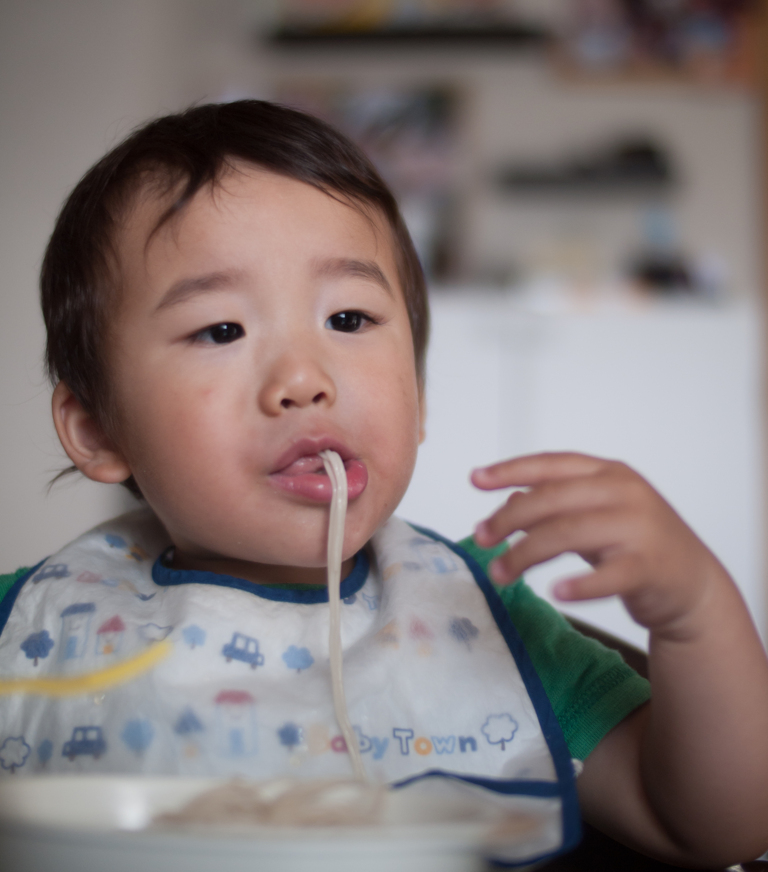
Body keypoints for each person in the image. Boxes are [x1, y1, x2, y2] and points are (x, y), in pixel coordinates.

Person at [0, 100, 766, 866]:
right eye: (222, 329)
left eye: (350, 319)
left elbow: (713, 827)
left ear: (420, 396)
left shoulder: (486, 626)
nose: (304, 379)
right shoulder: (34, 624)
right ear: (98, 428)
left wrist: (696, 613)